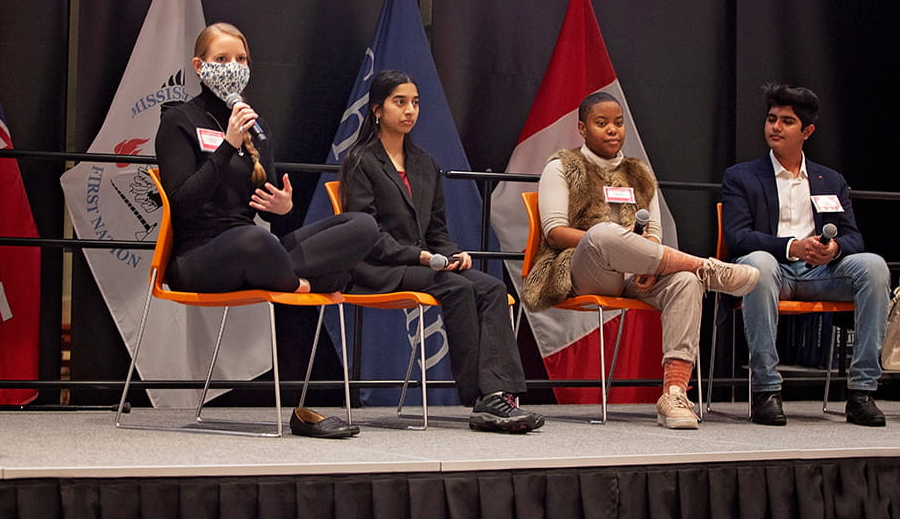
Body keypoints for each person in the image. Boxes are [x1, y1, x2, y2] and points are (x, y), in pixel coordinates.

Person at [155, 22, 379, 438]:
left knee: (362, 225)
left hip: (257, 254)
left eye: (241, 59)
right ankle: (309, 283)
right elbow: (181, 203)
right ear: (199, 66)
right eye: (222, 59)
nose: (233, 67)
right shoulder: (179, 121)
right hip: (199, 258)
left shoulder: (257, 128)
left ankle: (295, 282)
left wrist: (284, 206)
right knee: (255, 240)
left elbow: (271, 211)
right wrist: (227, 145)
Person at [522, 91, 760, 430]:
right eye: (601, 123)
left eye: (618, 123)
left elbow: (654, 234)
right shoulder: (562, 167)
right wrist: (609, 239)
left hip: (637, 273)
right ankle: (704, 266)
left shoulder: (640, 174)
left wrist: (647, 259)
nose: (612, 130)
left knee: (685, 281)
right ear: (582, 128)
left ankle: (674, 394)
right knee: (603, 234)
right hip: (582, 267)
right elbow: (555, 232)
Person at [339, 70, 544, 433]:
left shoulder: (424, 163)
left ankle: (501, 393)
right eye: (400, 102)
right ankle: (481, 398)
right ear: (376, 109)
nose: (410, 110)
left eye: (415, 103)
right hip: (378, 266)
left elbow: (436, 230)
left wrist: (453, 253)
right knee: (457, 288)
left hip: (426, 263)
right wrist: (418, 257)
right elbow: (366, 234)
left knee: (492, 287)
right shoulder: (361, 161)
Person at [722, 83, 890, 427]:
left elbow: (853, 237)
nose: (775, 127)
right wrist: (792, 246)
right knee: (758, 264)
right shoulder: (741, 176)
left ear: (807, 131)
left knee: (873, 266)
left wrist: (833, 249)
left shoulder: (830, 179)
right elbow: (737, 238)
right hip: (773, 272)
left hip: (821, 274)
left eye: (787, 121)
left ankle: (862, 391)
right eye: (771, 119)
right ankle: (766, 390)